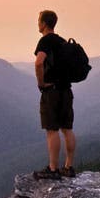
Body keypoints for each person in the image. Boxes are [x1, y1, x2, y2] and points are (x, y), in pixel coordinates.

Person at [33, 10, 76, 179]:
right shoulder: (62, 41)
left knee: (52, 130)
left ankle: (53, 169)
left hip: (52, 92)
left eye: (39, 20)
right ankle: (69, 167)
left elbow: (39, 63)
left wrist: (41, 83)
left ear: (44, 23)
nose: (38, 23)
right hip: (66, 90)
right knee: (67, 129)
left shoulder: (45, 41)